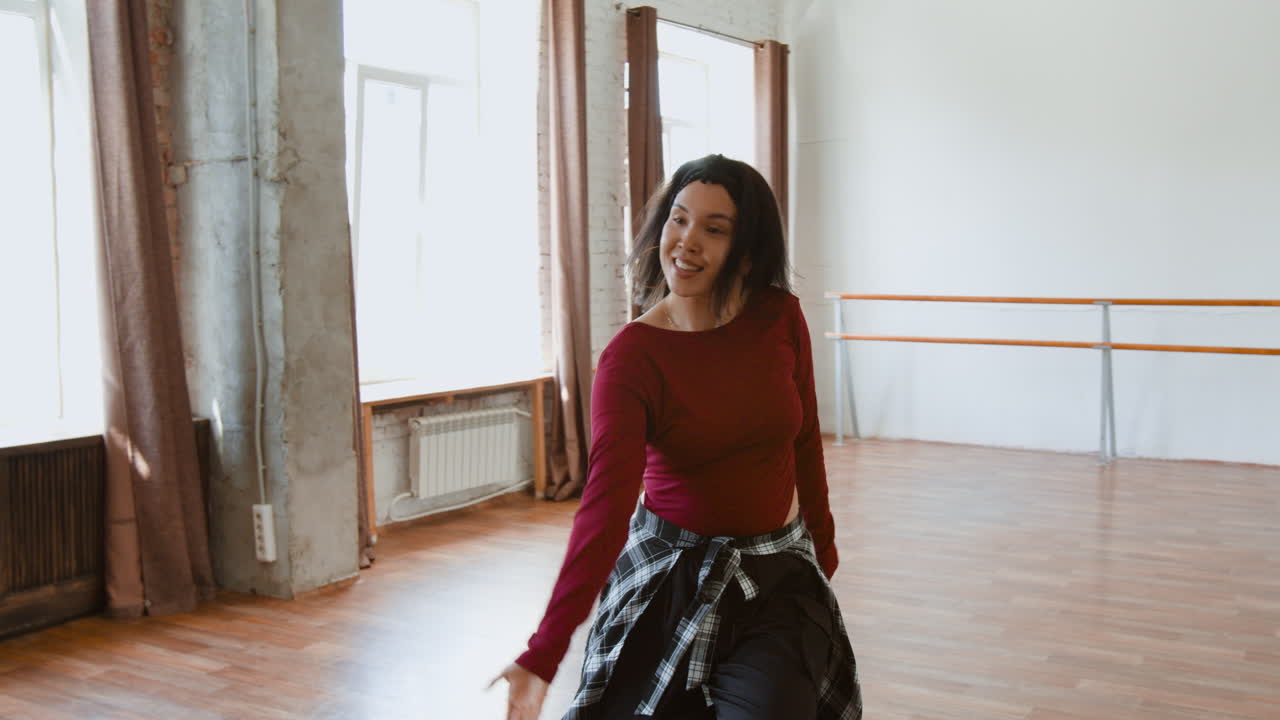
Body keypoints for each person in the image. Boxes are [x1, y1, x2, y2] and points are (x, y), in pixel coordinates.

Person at [491, 155, 862, 719]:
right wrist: (544, 651)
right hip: (670, 580)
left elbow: (805, 440)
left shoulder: (779, 316)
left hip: (776, 575)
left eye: (715, 229)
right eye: (678, 220)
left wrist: (823, 556)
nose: (687, 242)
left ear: (748, 247)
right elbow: (604, 510)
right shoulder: (633, 358)